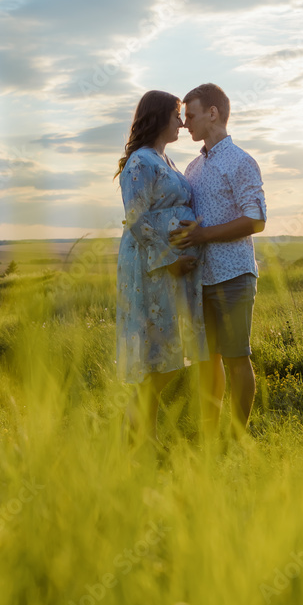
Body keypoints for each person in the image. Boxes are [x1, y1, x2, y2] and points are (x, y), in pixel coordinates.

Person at [171, 83, 266, 442]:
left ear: (213, 113)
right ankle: (211, 437)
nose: (185, 124)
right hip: (201, 279)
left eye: (191, 115)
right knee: (206, 361)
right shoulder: (193, 167)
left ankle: (237, 437)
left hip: (234, 275)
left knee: (236, 358)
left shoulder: (241, 161)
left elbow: (256, 219)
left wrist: (202, 236)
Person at [115, 90, 208, 450]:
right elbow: (136, 219)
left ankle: (143, 436)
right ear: (158, 117)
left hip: (170, 266)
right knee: (161, 358)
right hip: (151, 267)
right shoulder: (140, 162)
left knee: (166, 356)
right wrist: (171, 258)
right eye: (176, 115)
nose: (182, 122)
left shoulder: (163, 160)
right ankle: (134, 432)